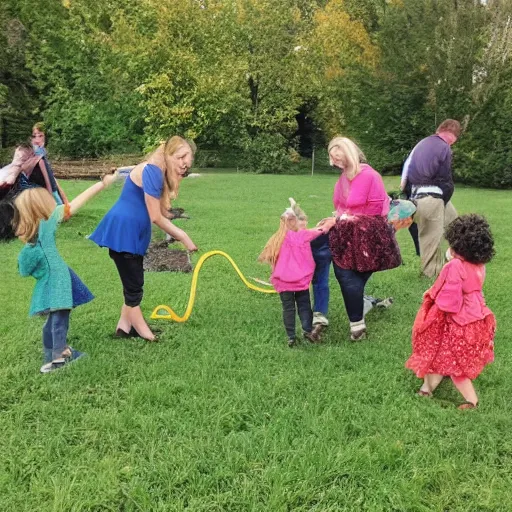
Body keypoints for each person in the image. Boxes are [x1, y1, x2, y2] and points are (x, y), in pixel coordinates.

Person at [89, 135, 198, 342]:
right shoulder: (152, 171)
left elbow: (160, 212)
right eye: (181, 157)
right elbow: (155, 217)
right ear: (168, 154)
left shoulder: (157, 171)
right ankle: (144, 332)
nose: (184, 163)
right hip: (124, 232)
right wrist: (183, 236)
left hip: (132, 233)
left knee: (133, 281)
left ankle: (124, 327)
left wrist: (173, 216)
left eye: (188, 159)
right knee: (134, 286)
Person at [14, 174, 117, 373]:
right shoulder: (48, 220)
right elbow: (75, 204)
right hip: (58, 279)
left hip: (47, 280)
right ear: (41, 206)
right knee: (60, 317)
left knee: (53, 318)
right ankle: (59, 356)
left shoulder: (31, 235)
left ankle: (50, 351)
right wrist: (101, 184)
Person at [405, 214, 496, 409]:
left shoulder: (455, 265)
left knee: (454, 364)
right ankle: (426, 388)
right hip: (475, 319)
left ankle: (472, 401)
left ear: (457, 246)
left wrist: (434, 299)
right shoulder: (479, 265)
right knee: (440, 355)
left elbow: (450, 300)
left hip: (455, 322)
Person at [327, 137, 401, 341]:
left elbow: (377, 209)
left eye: (339, 158)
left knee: (352, 277)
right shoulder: (343, 178)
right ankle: (357, 323)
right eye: (333, 159)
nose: (335, 163)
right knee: (343, 274)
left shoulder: (371, 176)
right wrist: (336, 218)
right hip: (345, 232)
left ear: (350, 154)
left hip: (369, 233)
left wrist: (346, 217)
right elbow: (340, 206)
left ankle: (358, 323)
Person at [259, 198, 335, 347]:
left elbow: (269, 256)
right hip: (300, 282)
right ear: (294, 223)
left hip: (283, 283)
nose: (305, 226)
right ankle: (307, 330)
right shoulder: (303, 236)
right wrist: (330, 222)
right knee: (304, 306)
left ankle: (291, 337)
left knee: (288, 308)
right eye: (302, 223)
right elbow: (320, 231)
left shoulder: (277, 238)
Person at [404, 119, 460, 277]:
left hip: (417, 195)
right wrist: (443, 199)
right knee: (431, 238)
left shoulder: (421, 144)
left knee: (455, 223)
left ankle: (457, 260)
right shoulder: (444, 148)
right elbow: (445, 179)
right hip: (432, 198)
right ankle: (430, 274)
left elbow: (406, 173)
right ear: (452, 135)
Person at [31, 122, 68, 204]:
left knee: (56, 198)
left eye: (40, 135)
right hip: (39, 182)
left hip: (49, 182)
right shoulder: (35, 150)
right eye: (34, 135)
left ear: (45, 137)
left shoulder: (42, 150)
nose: (37, 138)